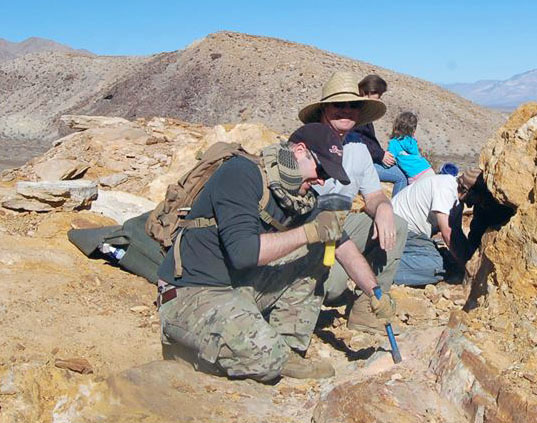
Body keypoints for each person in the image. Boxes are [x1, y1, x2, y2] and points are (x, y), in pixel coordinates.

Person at [156, 123, 395, 382]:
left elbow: (341, 243)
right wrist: (309, 232)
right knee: (266, 359)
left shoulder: (301, 197)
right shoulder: (241, 174)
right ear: (300, 151)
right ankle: (191, 346)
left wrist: (374, 292)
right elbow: (244, 253)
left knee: (317, 250)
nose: (323, 180)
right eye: (321, 169)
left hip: (237, 289)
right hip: (191, 293)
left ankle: (287, 348)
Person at [299, 71, 408, 334]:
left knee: (397, 225)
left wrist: (383, 208)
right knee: (334, 286)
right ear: (325, 109)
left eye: (353, 105)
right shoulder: (307, 144)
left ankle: (366, 310)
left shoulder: (358, 147)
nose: (346, 111)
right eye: (339, 105)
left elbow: (373, 196)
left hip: (340, 228)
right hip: (309, 234)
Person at [391, 168, 491, 286]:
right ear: (467, 191)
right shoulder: (446, 189)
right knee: (438, 266)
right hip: (398, 229)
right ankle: (379, 269)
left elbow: (456, 232)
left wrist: (468, 256)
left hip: (408, 231)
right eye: (478, 198)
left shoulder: (456, 201)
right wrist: (466, 266)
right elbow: (448, 233)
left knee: (448, 259)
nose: (477, 203)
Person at [349, 74, 408, 196]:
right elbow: (359, 142)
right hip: (361, 164)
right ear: (368, 92)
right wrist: (381, 155)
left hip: (367, 159)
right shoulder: (357, 113)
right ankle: (396, 211)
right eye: (379, 95)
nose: (379, 99)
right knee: (401, 177)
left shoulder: (361, 110)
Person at [387, 112, 434, 184]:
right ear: (413, 129)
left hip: (415, 175)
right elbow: (416, 153)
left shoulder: (394, 143)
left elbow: (389, 161)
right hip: (427, 169)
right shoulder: (412, 141)